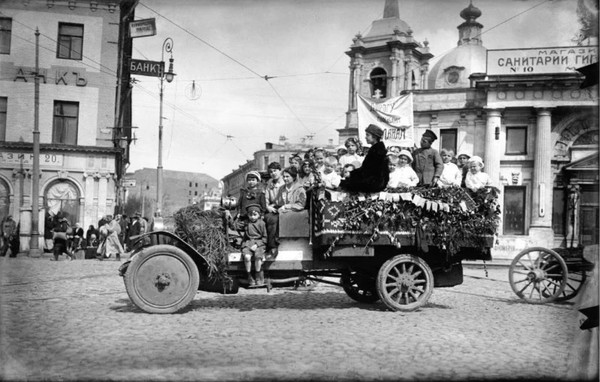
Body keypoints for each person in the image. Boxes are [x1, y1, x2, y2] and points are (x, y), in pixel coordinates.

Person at [264, 167, 306, 257]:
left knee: (273, 219)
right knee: (267, 216)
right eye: (284, 177)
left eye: (287, 176)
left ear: (293, 177)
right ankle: (267, 244)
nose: (285, 179)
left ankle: (273, 247)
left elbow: (301, 204)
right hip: (282, 211)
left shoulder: (300, 189)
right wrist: (271, 206)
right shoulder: (282, 188)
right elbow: (277, 202)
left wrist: (287, 206)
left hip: (294, 212)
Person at [340, 124, 389, 193]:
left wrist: (351, 175)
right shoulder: (376, 150)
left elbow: (367, 172)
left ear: (374, 137)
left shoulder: (377, 152)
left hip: (374, 184)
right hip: (374, 182)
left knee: (343, 184)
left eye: (367, 135)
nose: (365, 137)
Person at [241, 204, 268, 286]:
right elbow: (235, 226)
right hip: (248, 243)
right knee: (247, 257)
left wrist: (257, 244)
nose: (252, 217)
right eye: (250, 215)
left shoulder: (262, 224)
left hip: (259, 243)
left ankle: (257, 275)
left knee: (258, 257)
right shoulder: (246, 223)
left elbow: (265, 238)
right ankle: (249, 276)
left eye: (255, 215)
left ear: (259, 215)